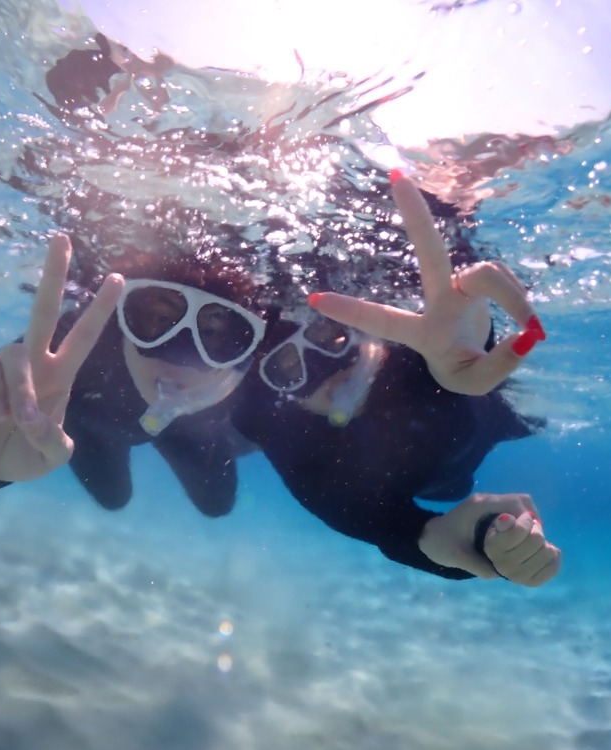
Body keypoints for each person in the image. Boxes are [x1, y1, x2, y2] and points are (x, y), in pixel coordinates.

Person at [233, 173, 561, 586]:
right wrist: (476, 539)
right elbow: (384, 525)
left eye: (330, 340)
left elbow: (455, 343)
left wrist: (465, 356)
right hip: (440, 480)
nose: (325, 373)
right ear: (279, 393)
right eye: (289, 370)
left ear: (360, 332)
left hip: (483, 427)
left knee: (526, 419)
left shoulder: (424, 350)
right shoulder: (295, 441)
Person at [0, 234, 266, 518]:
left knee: (216, 505)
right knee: (113, 499)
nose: (179, 354)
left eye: (213, 332)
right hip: (92, 426)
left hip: (188, 431)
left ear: (244, 340)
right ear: (123, 313)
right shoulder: (81, 341)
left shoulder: (269, 360)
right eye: (157, 319)